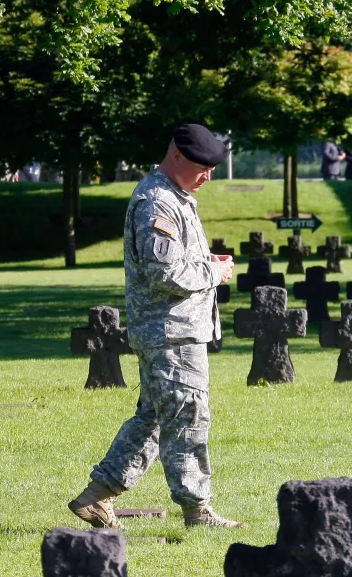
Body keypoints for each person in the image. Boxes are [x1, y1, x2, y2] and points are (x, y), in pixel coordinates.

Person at [68, 123, 241, 530]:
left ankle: (97, 496)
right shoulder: (157, 201)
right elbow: (165, 271)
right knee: (188, 415)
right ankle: (197, 510)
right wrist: (213, 273)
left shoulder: (175, 196)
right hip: (171, 331)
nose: (209, 176)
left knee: (155, 417)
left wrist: (206, 262)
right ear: (177, 156)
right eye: (203, 167)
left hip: (174, 329)